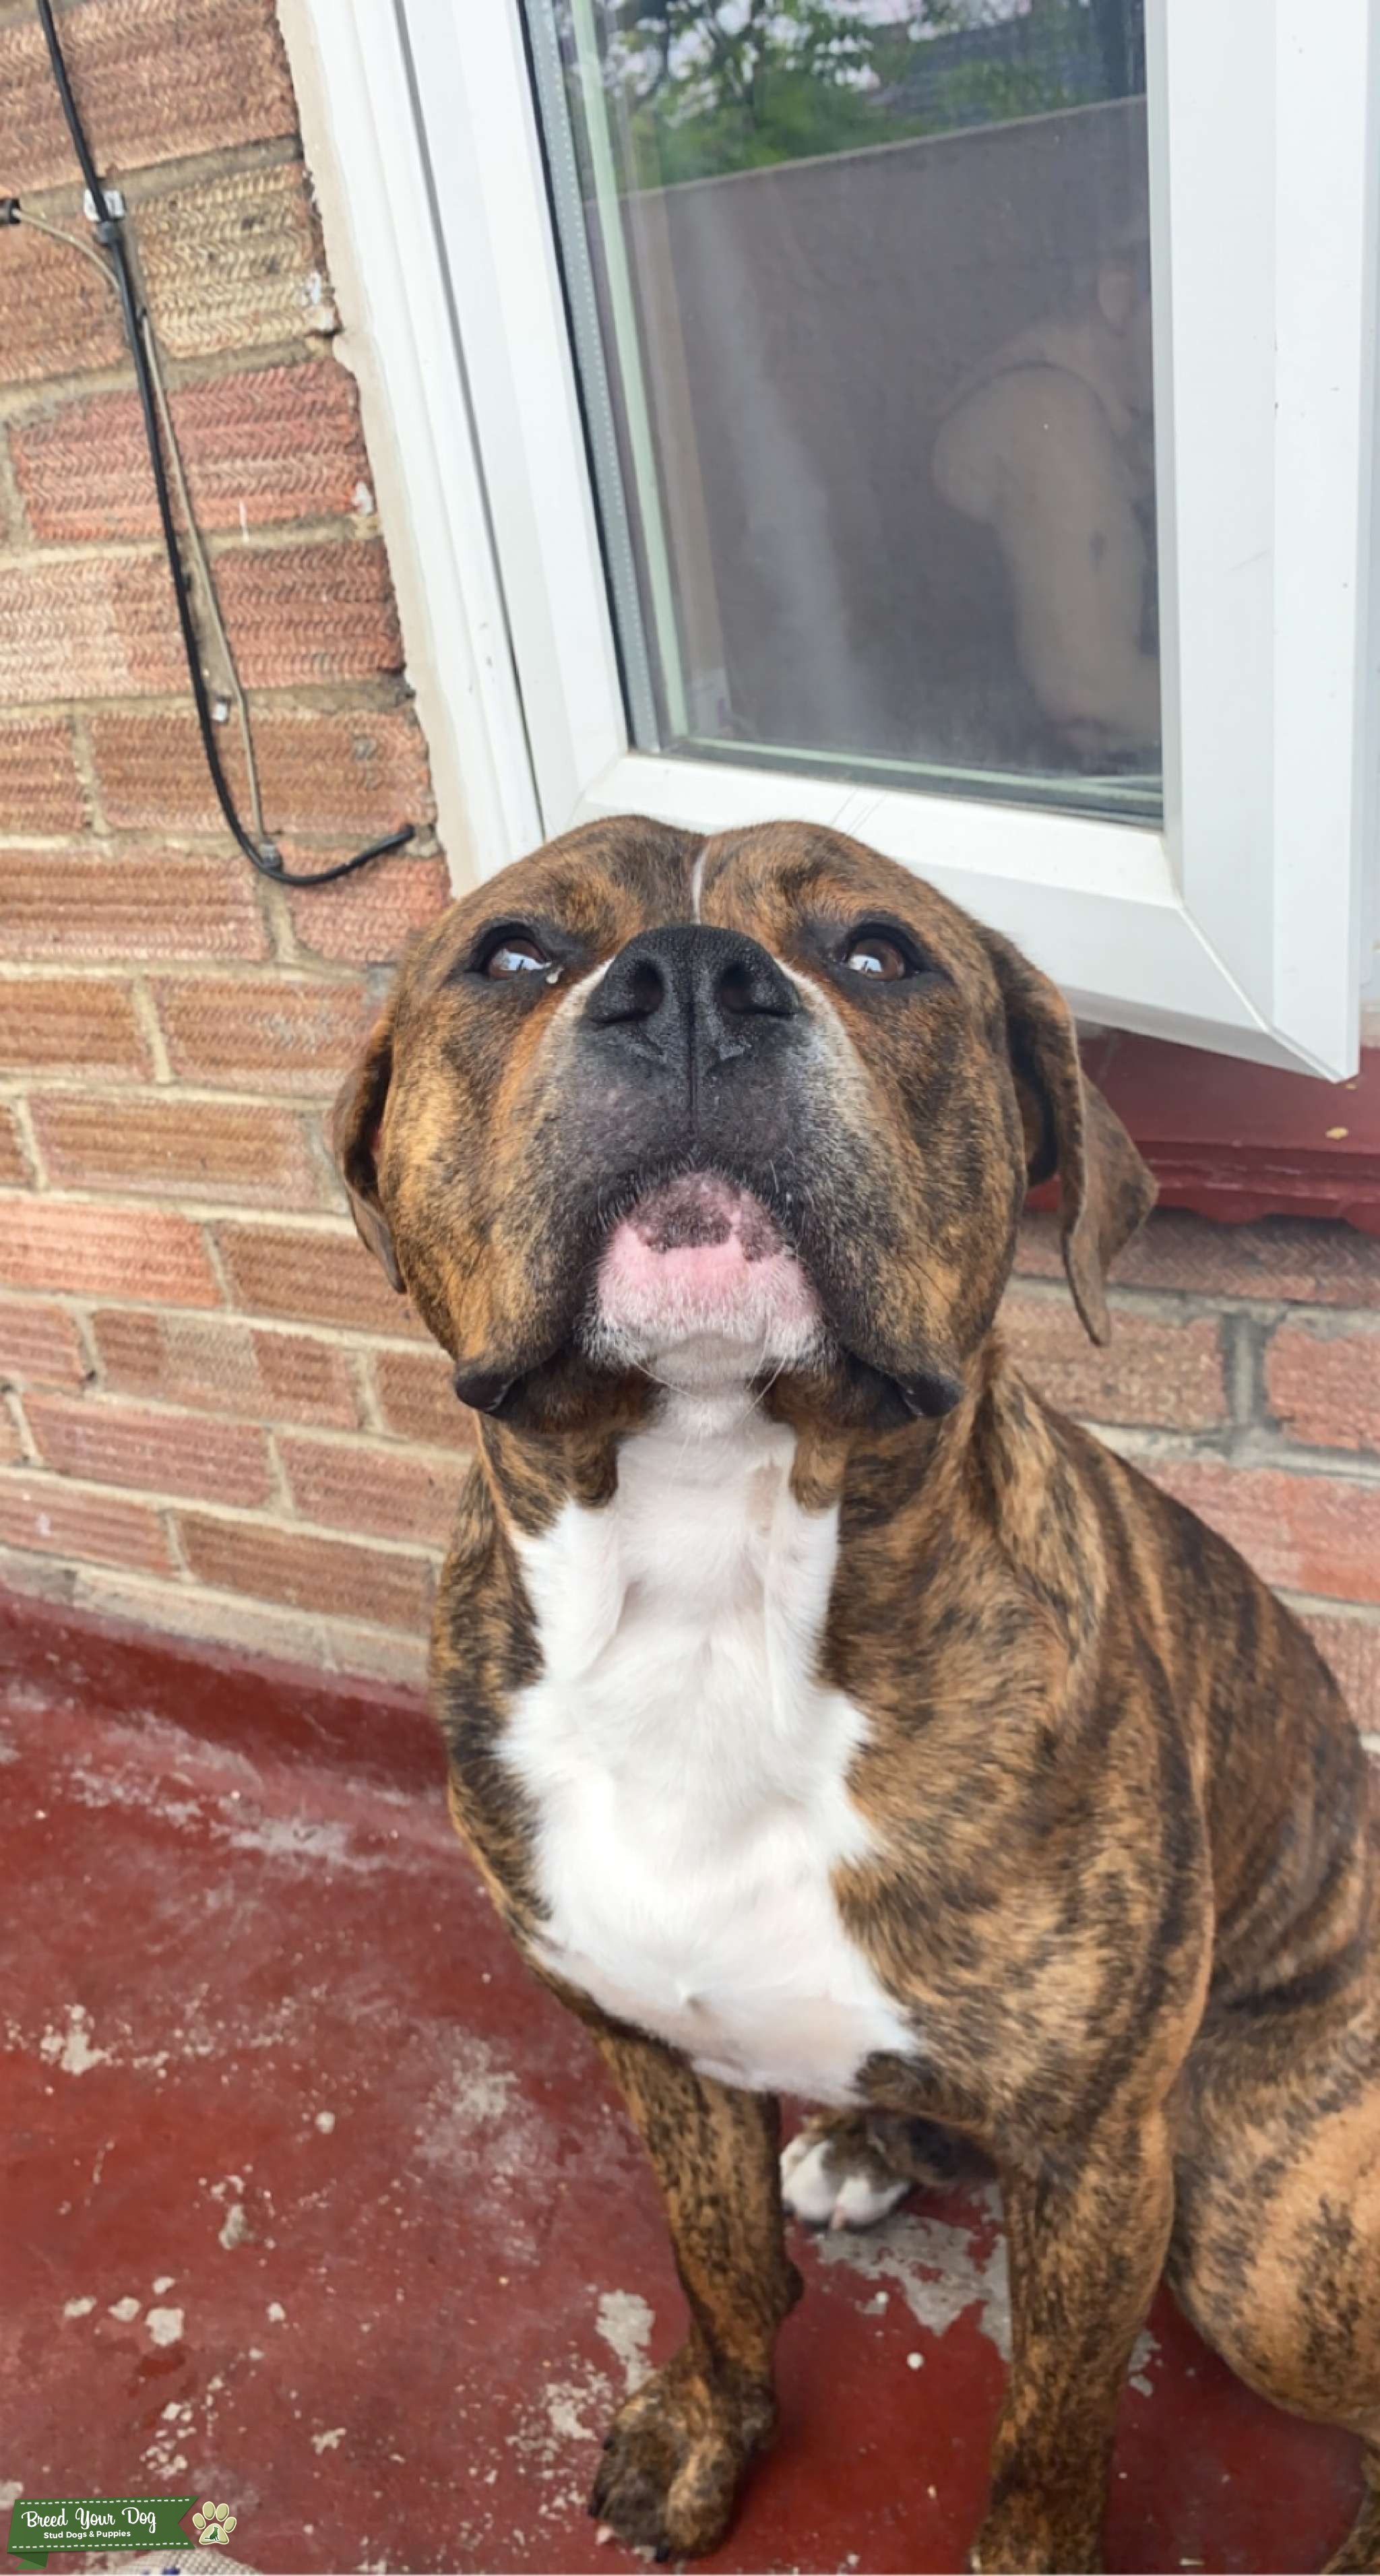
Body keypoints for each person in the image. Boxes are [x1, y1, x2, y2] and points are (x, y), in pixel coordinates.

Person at [932, 233, 1158, 764]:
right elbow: (1092, 693)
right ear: (1118, 295)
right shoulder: (1045, 414)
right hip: (1008, 787)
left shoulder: (1108, 416)